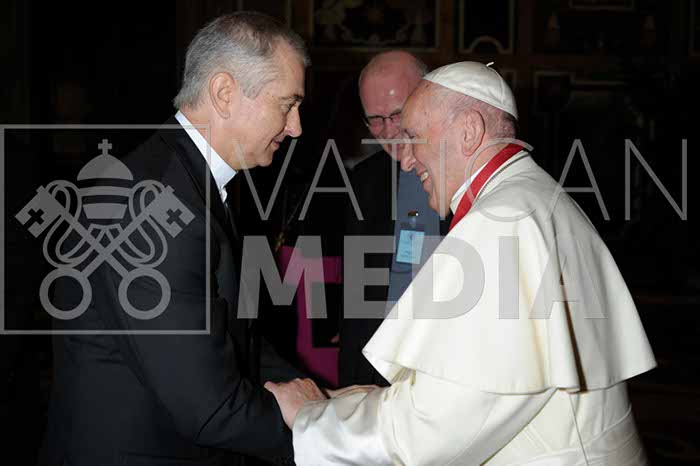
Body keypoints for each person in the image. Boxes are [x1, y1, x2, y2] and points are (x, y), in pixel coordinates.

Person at [266, 62, 657, 465]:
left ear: (469, 131)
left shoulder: (503, 221)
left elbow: (434, 431)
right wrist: (359, 400)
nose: (405, 160)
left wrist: (313, 416)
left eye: (413, 137)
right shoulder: (529, 195)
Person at [42, 13, 324, 466]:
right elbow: (209, 409)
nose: (296, 127)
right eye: (287, 104)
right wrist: (332, 439)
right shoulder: (152, 204)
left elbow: (230, 337)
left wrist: (320, 401)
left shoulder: (184, 181)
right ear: (224, 92)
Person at [340, 51, 448, 387]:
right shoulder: (364, 181)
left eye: (398, 114)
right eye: (376, 119)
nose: (389, 131)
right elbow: (356, 299)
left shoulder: (470, 175)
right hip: (381, 372)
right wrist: (352, 386)